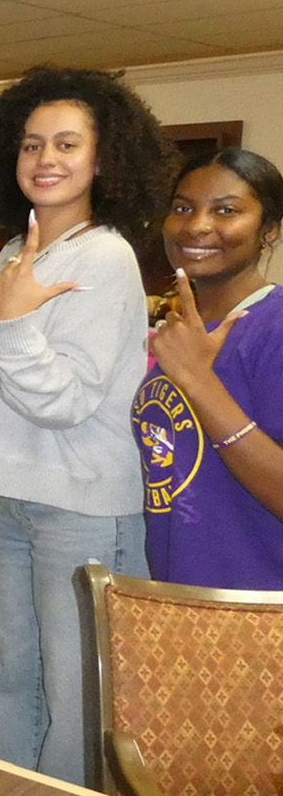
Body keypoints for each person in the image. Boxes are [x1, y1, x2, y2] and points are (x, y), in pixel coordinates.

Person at [0, 65, 178, 785]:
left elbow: (66, 400)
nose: (45, 159)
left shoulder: (106, 256)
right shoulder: (20, 255)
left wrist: (16, 321)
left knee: (79, 686)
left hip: (84, 503)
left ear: (102, 157)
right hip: (18, 498)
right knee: (5, 671)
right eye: (30, 145)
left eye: (66, 144)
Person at [134, 148, 283, 589]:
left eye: (227, 211)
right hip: (175, 595)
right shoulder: (179, 333)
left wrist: (201, 384)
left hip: (257, 610)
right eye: (183, 207)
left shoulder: (274, 328)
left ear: (269, 230)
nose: (197, 225)